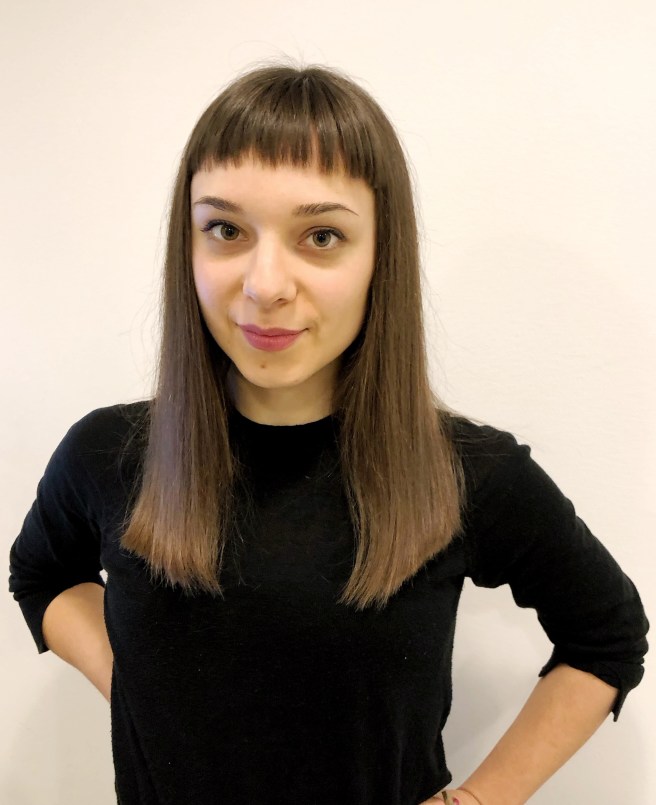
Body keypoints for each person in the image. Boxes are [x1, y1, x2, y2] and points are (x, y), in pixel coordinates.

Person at [8, 62, 648, 805]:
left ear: (381, 254)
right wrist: (136, 687)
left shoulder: (465, 472)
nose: (265, 284)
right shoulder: (108, 454)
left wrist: (481, 799)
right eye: (225, 229)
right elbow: (42, 573)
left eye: (320, 235)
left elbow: (607, 634)